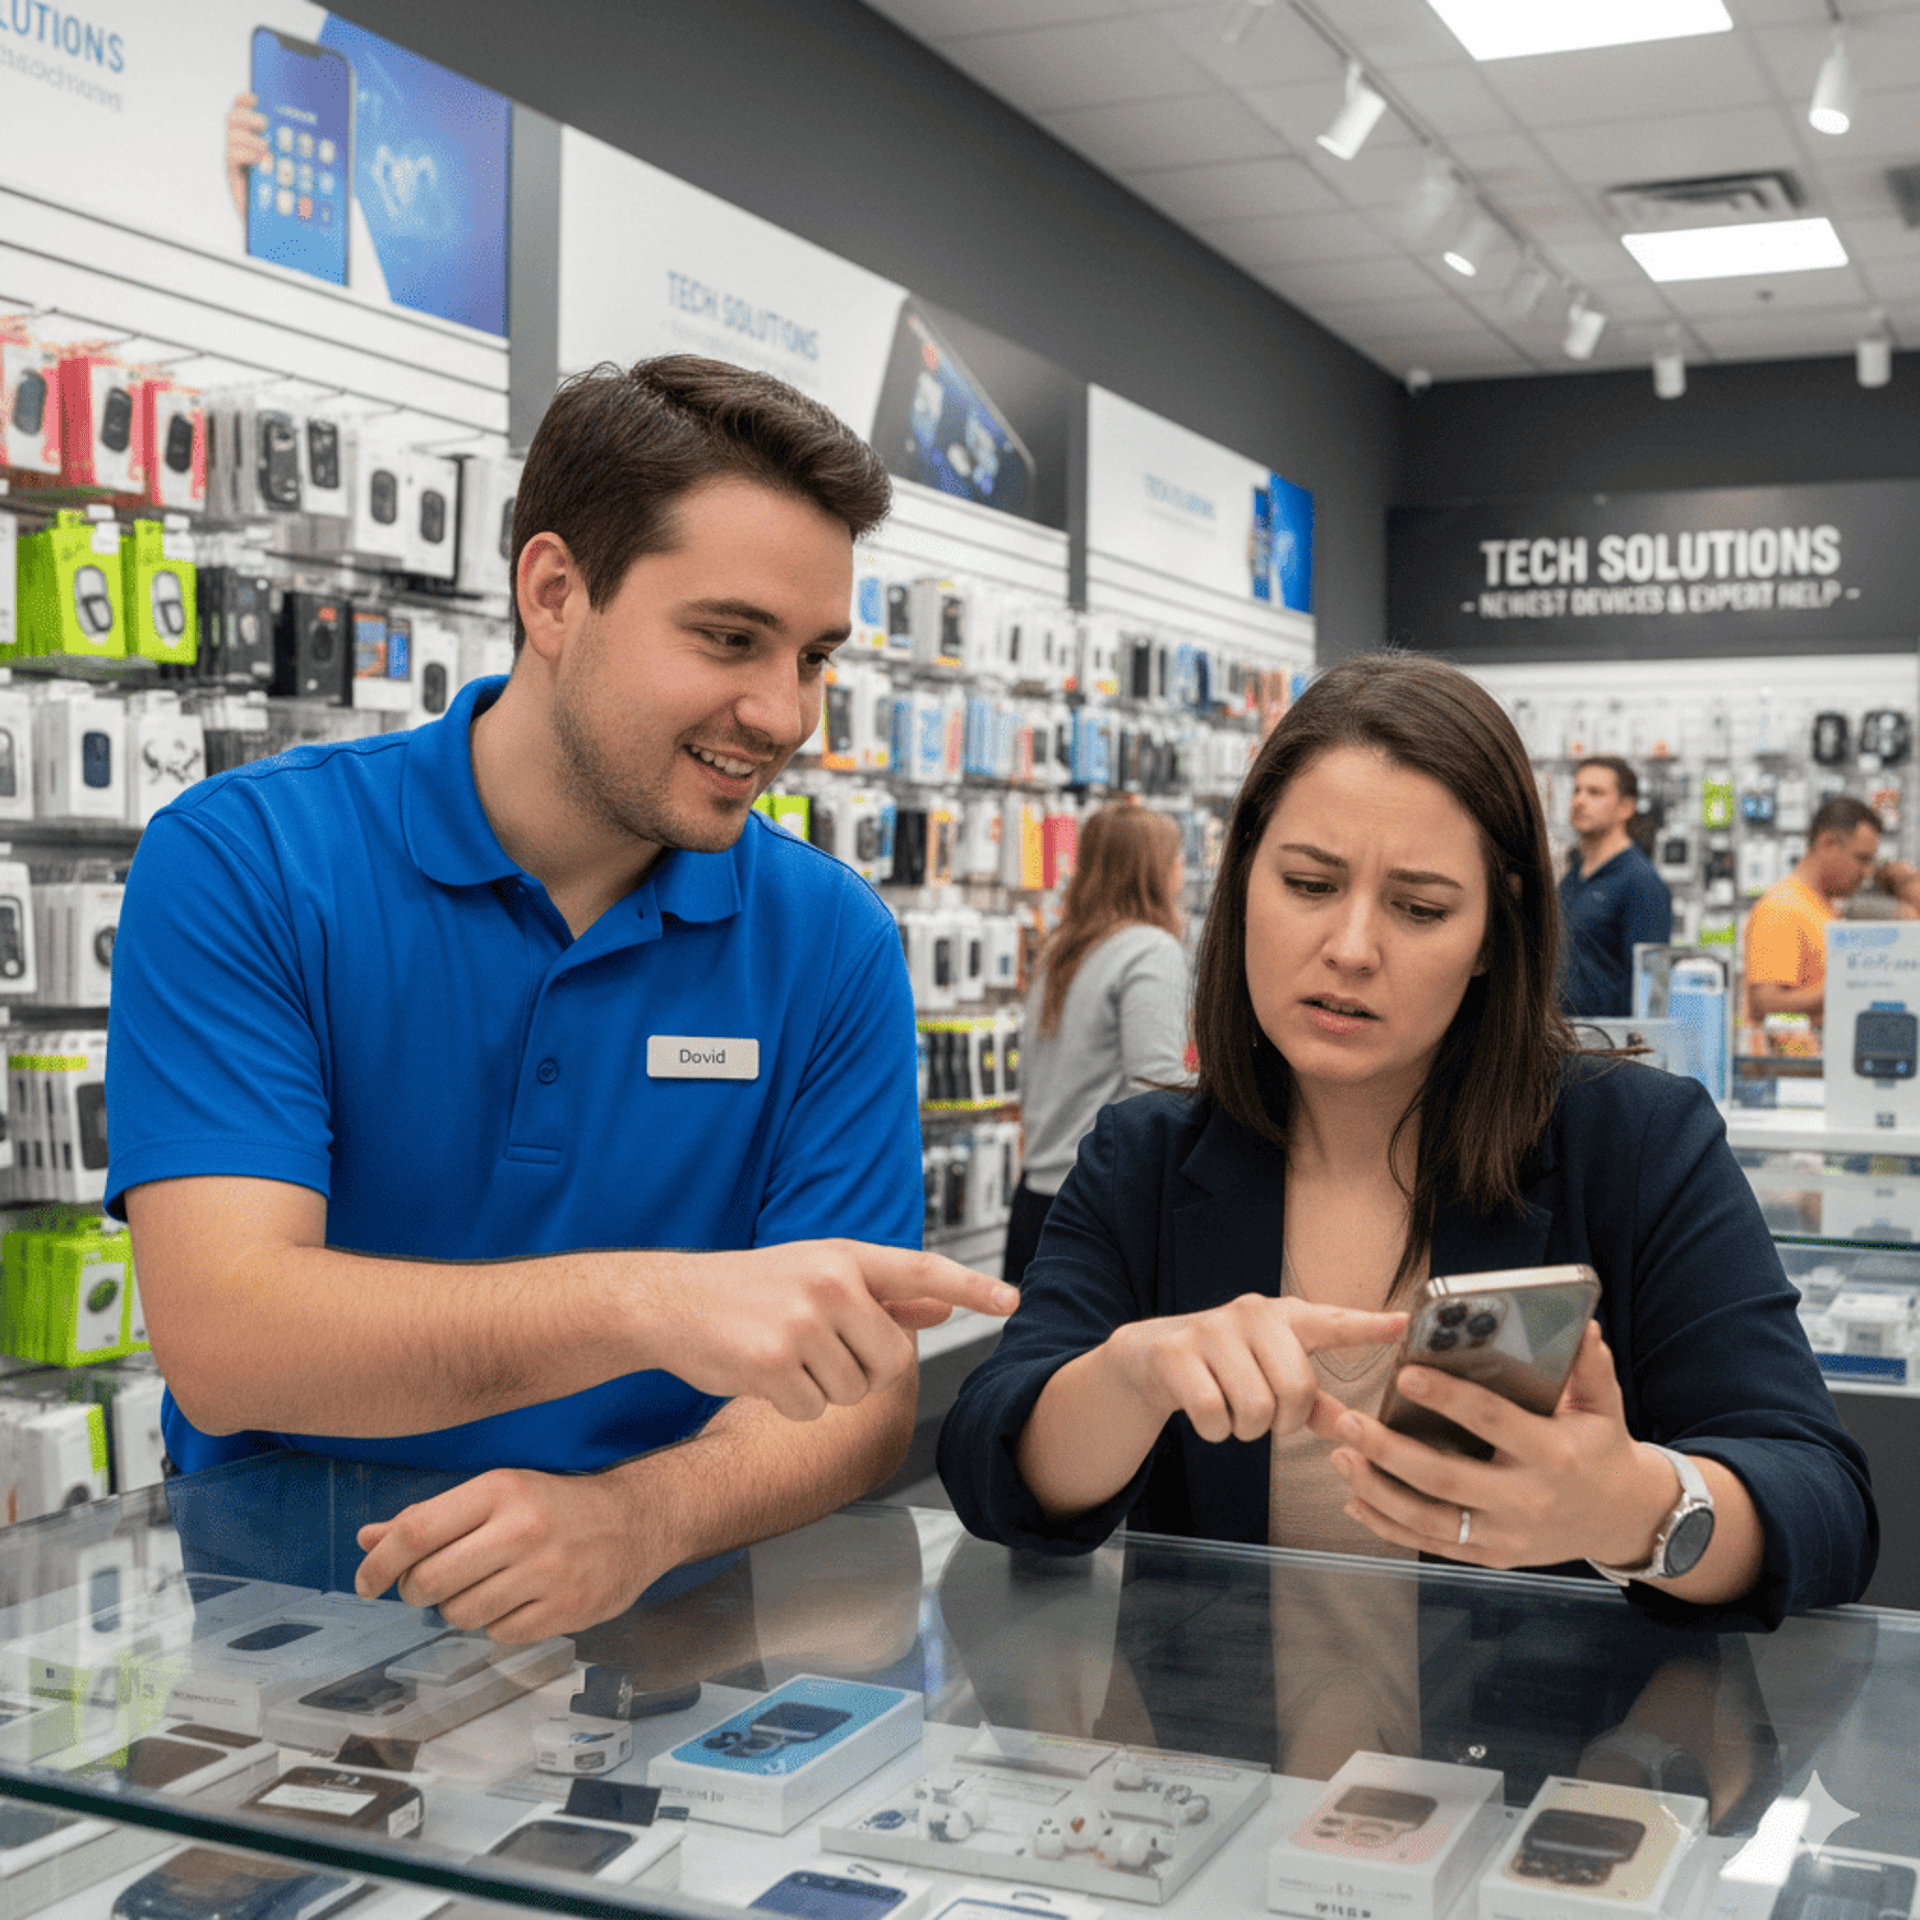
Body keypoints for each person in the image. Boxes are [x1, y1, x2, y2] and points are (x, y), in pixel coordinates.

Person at [107, 355, 1015, 1643]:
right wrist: (649, 1302)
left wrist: (643, 1518)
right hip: (294, 1642)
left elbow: (858, 1399)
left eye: (813, 655)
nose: (783, 712)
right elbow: (229, 1333)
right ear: (553, 593)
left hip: (675, 1648)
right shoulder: (249, 860)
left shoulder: (830, 943)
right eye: (728, 638)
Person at [939, 651, 1875, 1634]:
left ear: (1492, 933)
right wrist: (1127, 1379)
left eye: (1420, 908)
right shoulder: (1143, 1157)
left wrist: (1633, 1507)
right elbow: (990, 1468)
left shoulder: (1634, 1143)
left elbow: (1823, 1503)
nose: (1351, 947)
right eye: (1308, 883)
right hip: (1224, 1776)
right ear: (1244, 878)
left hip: (1544, 1776)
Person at [1004, 804, 1191, 1291]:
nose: (1182, 873)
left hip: (1037, 1196)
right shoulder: (1150, 950)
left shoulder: (1061, 948)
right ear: (1155, 871)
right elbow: (1156, 1088)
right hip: (1099, 1205)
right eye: (1176, 860)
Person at [1743, 796, 1920, 1035]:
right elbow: (1765, 1004)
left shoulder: (1823, 908)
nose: (1867, 871)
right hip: (1790, 1068)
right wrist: (1855, 982)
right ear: (1827, 844)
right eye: (1862, 858)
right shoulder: (1782, 908)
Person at [1557, 755, 1671, 1017]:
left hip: (1609, 1046)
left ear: (1626, 808)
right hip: (1566, 1038)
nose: (1579, 801)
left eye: (1595, 792)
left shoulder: (1640, 883)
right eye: (1577, 790)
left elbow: (1651, 988)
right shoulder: (1572, 879)